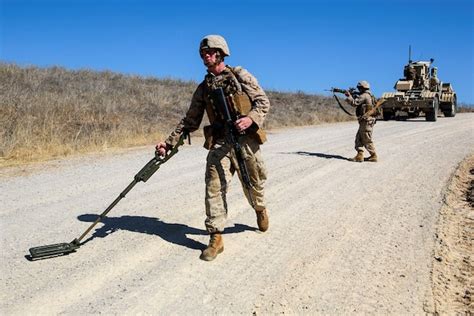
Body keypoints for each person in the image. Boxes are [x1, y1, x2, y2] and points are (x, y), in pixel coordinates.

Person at [156, 35, 270, 261]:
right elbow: (190, 121)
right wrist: (168, 143)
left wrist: (250, 119)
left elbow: (263, 101)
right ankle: (216, 237)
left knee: (253, 183)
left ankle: (260, 208)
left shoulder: (240, 75)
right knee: (214, 185)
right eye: (202, 53)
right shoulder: (204, 88)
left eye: (209, 52)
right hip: (220, 141)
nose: (205, 56)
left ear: (220, 53)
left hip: (245, 139)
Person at [344, 80, 378, 162]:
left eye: (359, 88)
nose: (358, 89)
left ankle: (373, 155)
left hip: (366, 121)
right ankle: (360, 155)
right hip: (366, 121)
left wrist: (349, 96)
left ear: (362, 88)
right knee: (359, 138)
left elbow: (354, 103)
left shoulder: (364, 95)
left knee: (366, 138)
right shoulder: (370, 95)